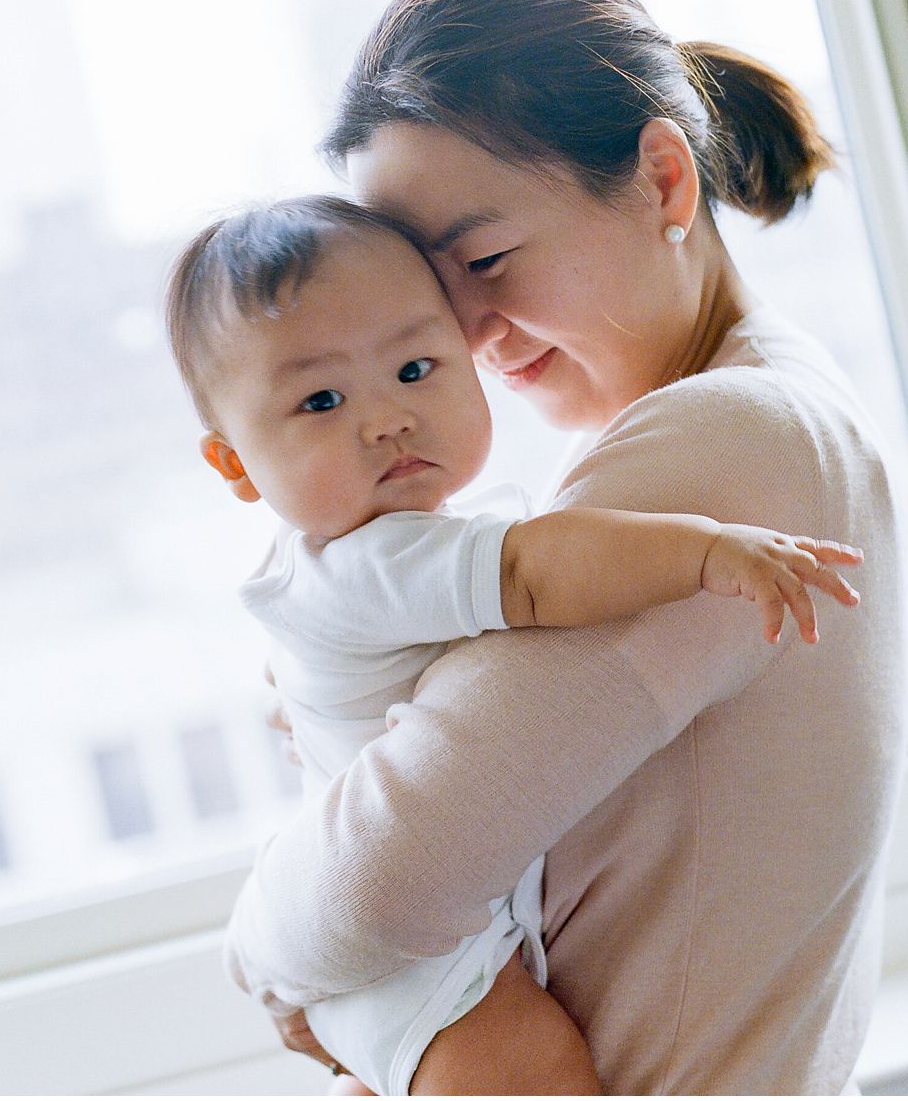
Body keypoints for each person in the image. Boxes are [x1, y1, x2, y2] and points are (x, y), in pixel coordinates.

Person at [221, 0, 908, 1095]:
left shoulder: (726, 443)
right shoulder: (776, 401)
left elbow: (375, 892)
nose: (473, 336)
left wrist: (266, 958)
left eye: (486, 259)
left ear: (662, 183)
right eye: (437, 300)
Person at [165, 195, 865, 1096]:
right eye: (322, 399)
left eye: (416, 367)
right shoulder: (369, 561)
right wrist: (706, 550)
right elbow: (539, 575)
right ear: (233, 465)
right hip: (425, 970)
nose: (386, 418)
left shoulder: (393, 548)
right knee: (535, 1072)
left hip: (436, 942)